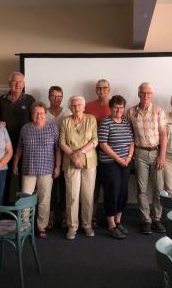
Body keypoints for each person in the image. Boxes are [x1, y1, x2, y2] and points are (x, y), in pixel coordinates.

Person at [13, 101, 61, 238]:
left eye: (41, 113)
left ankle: (41, 227)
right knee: (25, 199)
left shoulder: (53, 128)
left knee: (44, 200)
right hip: (28, 169)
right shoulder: (25, 128)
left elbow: (58, 149)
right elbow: (19, 148)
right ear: (31, 114)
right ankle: (24, 226)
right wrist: (15, 164)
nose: (38, 115)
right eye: (35, 113)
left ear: (45, 114)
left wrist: (57, 166)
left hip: (47, 169)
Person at [127, 82, 167, 234]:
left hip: (156, 153)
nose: (145, 96)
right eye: (143, 93)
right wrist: (130, 154)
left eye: (148, 93)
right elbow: (129, 134)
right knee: (141, 189)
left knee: (158, 189)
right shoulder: (131, 112)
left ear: (152, 95)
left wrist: (162, 156)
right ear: (138, 94)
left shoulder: (158, 111)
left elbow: (164, 134)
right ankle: (146, 220)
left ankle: (157, 219)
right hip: (139, 154)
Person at [60, 96, 98, 240]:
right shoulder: (65, 121)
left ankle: (87, 225)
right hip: (70, 161)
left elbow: (95, 140)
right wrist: (74, 156)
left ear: (84, 106)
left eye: (79, 105)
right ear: (70, 107)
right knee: (72, 196)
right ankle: (72, 226)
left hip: (89, 161)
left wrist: (80, 153)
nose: (76, 108)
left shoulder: (91, 119)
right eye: (73, 105)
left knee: (88, 196)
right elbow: (62, 142)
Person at [0, 71, 35, 204]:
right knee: (5, 177)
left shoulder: (30, 100)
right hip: (5, 145)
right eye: (14, 81)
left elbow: (34, 121)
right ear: (9, 83)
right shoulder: (2, 99)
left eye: (20, 82)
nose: (18, 85)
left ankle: (22, 209)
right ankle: (5, 209)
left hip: (25, 145)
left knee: (24, 178)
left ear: (24, 84)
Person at [98, 95, 134, 239]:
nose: (119, 110)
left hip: (125, 162)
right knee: (113, 191)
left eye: (121, 107)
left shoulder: (126, 122)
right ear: (110, 108)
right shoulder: (105, 122)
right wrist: (119, 159)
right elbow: (103, 144)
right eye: (115, 107)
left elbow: (131, 142)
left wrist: (129, 158)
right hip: (110, 163)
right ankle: (111, 224)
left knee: (123, 192)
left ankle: (118, 220)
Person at [85, 79, 111, 227]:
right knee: (93, 186)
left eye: (104, 87)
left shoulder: (114, 105)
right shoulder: (88, 106)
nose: (101, 90)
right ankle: (91, 215)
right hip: (92, 151)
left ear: (109, 89)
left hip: (110, 153)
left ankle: (109, 216)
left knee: (108, 186)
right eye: (99, 88)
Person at [46, 86, 68, 229]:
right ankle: (51, 215)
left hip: (66, 154)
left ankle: (66, 216)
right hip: (47, 156)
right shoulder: (44, 113)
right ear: (49, 97)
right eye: (54, 96)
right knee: (51, 188)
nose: (57, 99)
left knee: (65, 187)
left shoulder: (68, 112)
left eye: (59, 96)